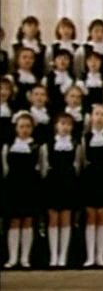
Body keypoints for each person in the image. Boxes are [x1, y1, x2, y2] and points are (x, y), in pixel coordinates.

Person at [41, 113, 81, 268]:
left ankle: (63, 256)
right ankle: (53, 256)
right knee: (53, 219)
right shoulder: (48, 145)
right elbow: (44, 166)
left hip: (68, 181)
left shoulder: (76, 144)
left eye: (69, 124)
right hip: (53, 182)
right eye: (62, 123)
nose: (65, 127)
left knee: (65, 218)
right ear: (56, 126)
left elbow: (78, 164)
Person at [3, 112, 41, 268]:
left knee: (27, 220)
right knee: (14, 221)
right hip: (13, 185)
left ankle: (25, 258)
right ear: (16, 128)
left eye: (28, 126)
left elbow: (42, 167)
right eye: (21, 126)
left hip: (30, 185)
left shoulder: (37, 147)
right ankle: (12, 258)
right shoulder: (8, 146)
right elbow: (4, 168)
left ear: (32, 128)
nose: (24, 129)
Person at [80, 104, 103, 268]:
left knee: (102, 216)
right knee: (90, 216)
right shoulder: (85, 137)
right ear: (91, 117)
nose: (99, 118)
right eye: (96, 114)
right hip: (90, 177)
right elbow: (81, 159)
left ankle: (100, 256)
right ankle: (90, 256)